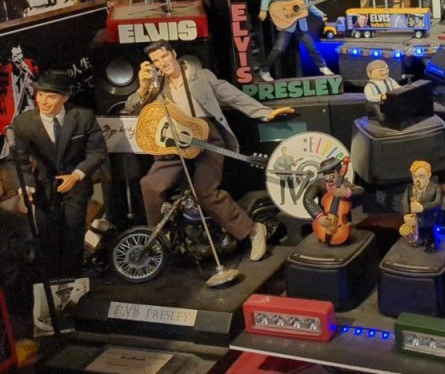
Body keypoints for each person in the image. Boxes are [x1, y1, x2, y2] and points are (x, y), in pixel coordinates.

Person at [125, 40, 295, 262]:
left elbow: (232, 95)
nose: (162, 63)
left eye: (164, 56)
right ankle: (159, 241)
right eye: (156, 60)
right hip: (176, 142)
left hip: (206, 137)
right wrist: (143, 88)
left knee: (205, 192)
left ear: (173, 53)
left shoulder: (201, 76)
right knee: (150, 185)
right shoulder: (156, 85)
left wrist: (264, 112)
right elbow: (131, 109)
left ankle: (253, 231)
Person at [11, 70, 108, 279]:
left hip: (77, 184)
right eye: (40, 95)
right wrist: (25, 187)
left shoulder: (83, 117)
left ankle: (72, 280)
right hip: (43, 186)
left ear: (65, 97)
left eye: (51, 96)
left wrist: (76, 175)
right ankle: (51, 280)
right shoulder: (23, 122)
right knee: (47, 233)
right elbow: (18, 160)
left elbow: (97, 152)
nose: (43, 102)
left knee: (73, 231)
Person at [257, 0, 334, 81]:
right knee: (278, 49)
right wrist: (263, 10)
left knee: (311, 47)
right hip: (287, 23)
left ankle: (323, 67)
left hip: (300, 24)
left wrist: (321, 14)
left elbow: (309, 6)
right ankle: (264, 71)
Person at [302, 155, 363, 245]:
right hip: (324, 219)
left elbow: (360, 190)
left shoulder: (344, 183)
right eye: (326, 175)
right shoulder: (318, 184)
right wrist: (319, 216)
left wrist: (347, 192)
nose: (329, 178)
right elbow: (307, 198)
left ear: (338, 172)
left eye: (332, 174)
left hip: (341, 222)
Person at [401, 160, 442, 252]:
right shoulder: (409, 188)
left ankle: (431, 243)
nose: (417, 180)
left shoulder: (436, 188)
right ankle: (418, 239)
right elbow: (404, 202)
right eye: (414, 177)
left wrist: (423, 207)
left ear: (429, 175)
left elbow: (438, 203)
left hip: (430, 218)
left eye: (421, 176)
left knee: (430, 233)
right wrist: (406, 215)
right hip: (416, 221)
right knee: (420, 234)